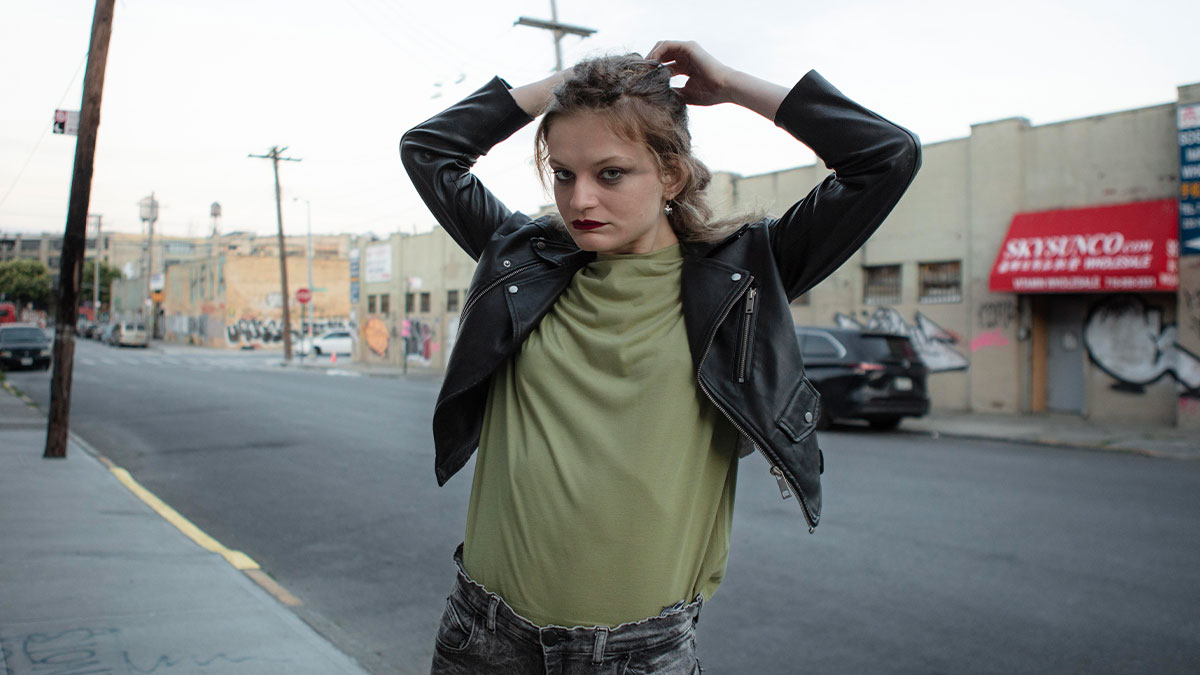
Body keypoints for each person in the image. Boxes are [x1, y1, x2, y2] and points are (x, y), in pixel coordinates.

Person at [402, 40, 920, 674]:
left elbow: (885, 157)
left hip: (633, 654)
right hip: (482, 633)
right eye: (564, 173)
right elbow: (428, 150)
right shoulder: (524, 259)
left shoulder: (745, 277)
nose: (580, 200)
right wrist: (568, 87)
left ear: (671, 174)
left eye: (610, 173)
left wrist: (730, 83)